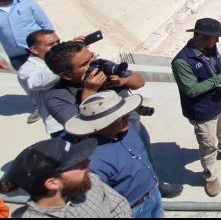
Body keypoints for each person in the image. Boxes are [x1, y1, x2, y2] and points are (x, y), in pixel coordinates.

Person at [44, 41, 183, 198]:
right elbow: (83, 128)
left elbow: (139, 82)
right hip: (106, 146)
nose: (94, 65)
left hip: (134, 129)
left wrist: (123, 81)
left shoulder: (103, 66)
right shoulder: (56, 97)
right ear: (67, 74)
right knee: (125, 177)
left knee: (145, 159)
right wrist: (90, 91)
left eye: (92, 58)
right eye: (85, 64)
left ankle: (155, 184)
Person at [172, 18, 221, 197]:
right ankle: (210, 176)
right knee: (207, 144)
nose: (217, 41)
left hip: (220, 99)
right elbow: (191, 90)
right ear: (198, 35)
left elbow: (219, 63)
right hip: (202, 110)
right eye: (213, 37)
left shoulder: (210, 48)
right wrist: (220, 78)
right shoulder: (182, 62)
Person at [65, 90, 164, 218]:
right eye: (119, 118)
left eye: (125, 114)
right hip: (133, 210)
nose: (127, 118)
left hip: (154, 195)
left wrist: (153, 181)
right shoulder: (92, 161)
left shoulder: (128, 129)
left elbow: (141, 157)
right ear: (100, 125)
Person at [0, 138, 130, 218]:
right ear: (52, 183)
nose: (88, 163)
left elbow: (119, 205)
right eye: (77, 164)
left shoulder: (88, 182)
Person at [0, 0, 54, 71]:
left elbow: (47, 27)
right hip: (18, 59)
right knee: (34, 84)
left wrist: (54, 47)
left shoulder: (28, 4)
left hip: (42, 52)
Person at [17, 30, 63, 135]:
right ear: (34, 50)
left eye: (58, 42)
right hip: (60, 125)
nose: (57, 46)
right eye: (51, 44)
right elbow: (42, 82)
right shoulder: (26, 70)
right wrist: (65, 58)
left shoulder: (63, 59)